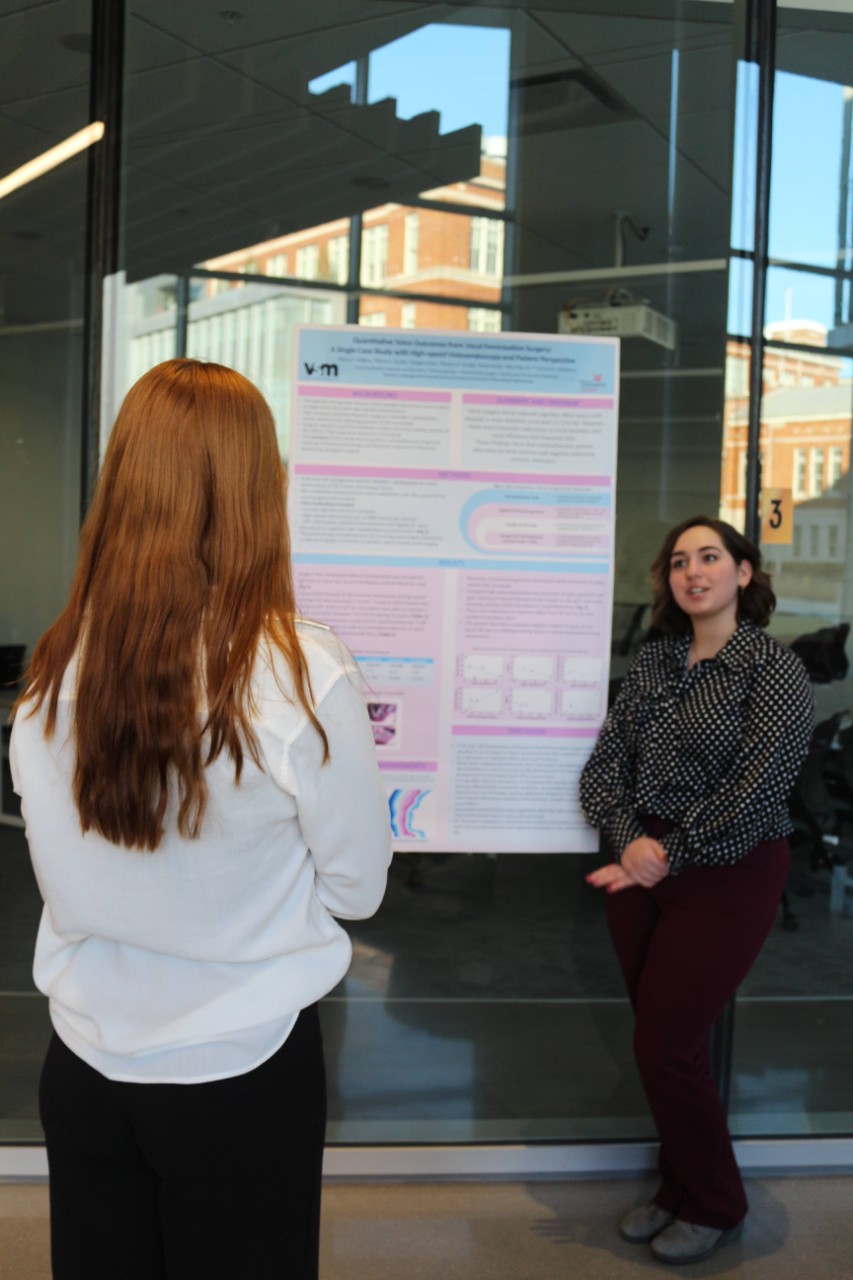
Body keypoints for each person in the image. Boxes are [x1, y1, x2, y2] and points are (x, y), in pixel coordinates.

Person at [10, 358, 393, 1280]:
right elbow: (359, 890)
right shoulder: (299, 670)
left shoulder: (54, 672)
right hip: (242, 1068)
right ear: (256, 490)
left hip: (84, 1064)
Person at [580, 516, 813, 1266]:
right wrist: (630, 842)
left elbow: (758, 789)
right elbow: (603, 768)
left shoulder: (772, 669)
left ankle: (715, 1199)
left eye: (709, 557)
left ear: (743, 573)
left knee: (664, 1045)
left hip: (728, 870)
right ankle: (678, 1186)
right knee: (663, 1044)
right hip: (638, 863)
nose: (692, 572)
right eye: (678, 561)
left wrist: (665, 854)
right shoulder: (653, 664)